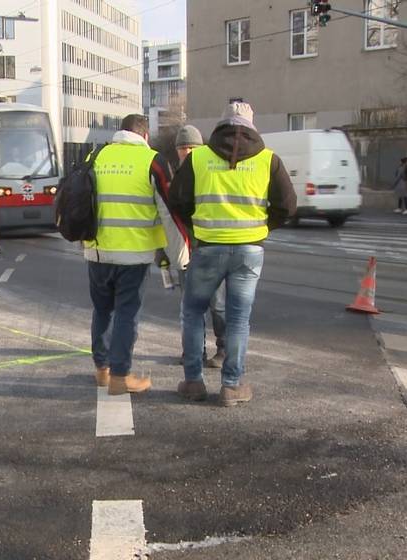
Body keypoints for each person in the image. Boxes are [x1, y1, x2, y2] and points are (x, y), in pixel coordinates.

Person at [169, 102, 297, 406]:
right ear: (252, 127)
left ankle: (193, 382)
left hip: (208, 247)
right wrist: (263, 228)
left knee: (193, 312)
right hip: (249, 250)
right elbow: (288, 206)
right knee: (239, 318)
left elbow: (177, 199)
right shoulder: (268, 160)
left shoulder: (198, 158)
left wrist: (196, 227)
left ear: (220, 126)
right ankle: (231, 386)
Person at [85, 114, 187, 395]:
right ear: (145, 136)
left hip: (96, 253)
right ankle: (120, 376)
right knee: (126, 314)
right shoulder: (152, 161)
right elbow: (168, 212)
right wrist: (180, 255)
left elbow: (80, 199)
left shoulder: (96, 156)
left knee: (102, 310)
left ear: (121, 133)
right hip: (134, 256)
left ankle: (102, 370)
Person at [175, 125, 227, 369]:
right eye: (182, 147)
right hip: (186, 249)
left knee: (217, 303)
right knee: (189, 305)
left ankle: (223, 348)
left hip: (210, 247)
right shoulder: (175, 175)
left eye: (191, 147)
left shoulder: (210, 172)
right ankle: (193, 352)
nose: (187, 151)